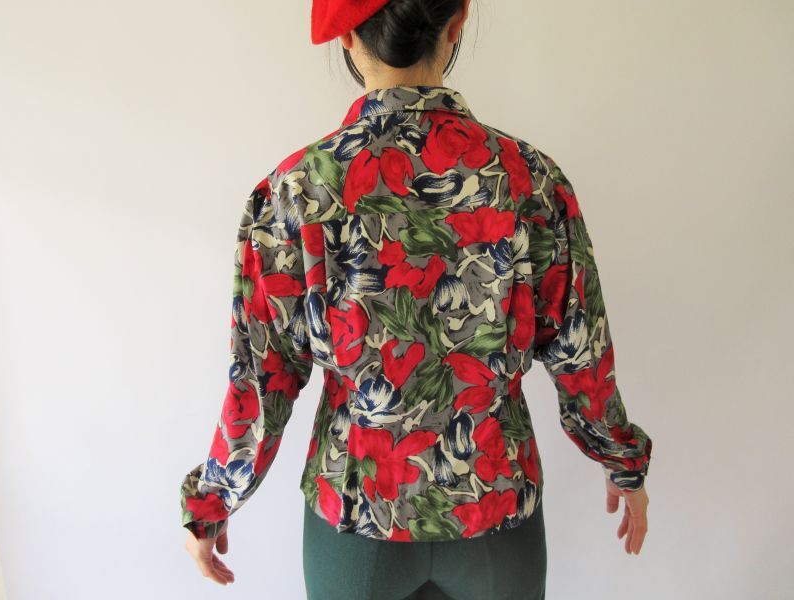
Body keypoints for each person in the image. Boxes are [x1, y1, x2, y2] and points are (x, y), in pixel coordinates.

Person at [180, 0, 653, 597]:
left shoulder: (296, 190)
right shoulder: (529, 180)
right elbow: (583, 351)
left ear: (347, 37)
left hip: (356, 518)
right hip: (496, 508)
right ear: (457, 23)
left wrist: (213, 501)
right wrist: (621, 462)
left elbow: (261, 377)